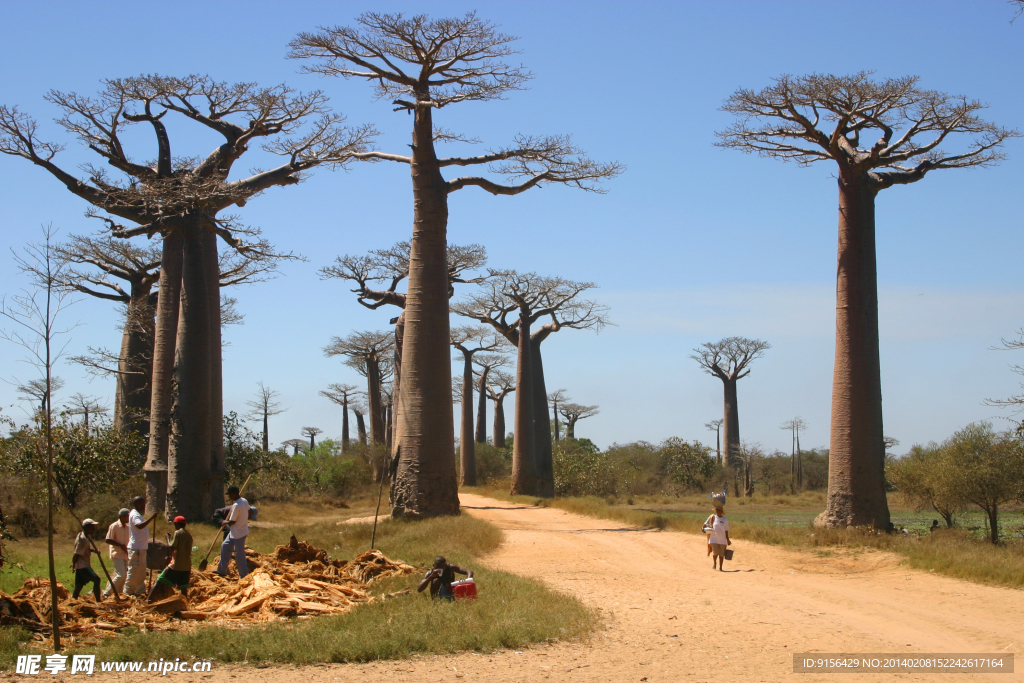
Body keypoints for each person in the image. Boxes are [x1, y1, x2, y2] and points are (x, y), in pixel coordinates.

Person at [149, 516, 192, 601]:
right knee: (183, 587)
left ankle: (148, 601)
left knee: (159, 580)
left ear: (176, 524)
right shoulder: (189, 535)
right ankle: (185, 603)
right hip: (187, 566)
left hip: (176, 565)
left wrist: (168, 539)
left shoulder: (178, 533)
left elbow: (171, 547)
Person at [125, 496, 158, 597]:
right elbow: (139, 526)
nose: (144, 506)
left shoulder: (138, 514)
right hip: (136, 547)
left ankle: (140, 591)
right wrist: (151, 518)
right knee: (134, 570)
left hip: (141, 547)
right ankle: (128, 592)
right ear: (138, 504)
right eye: (143, 504)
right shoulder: (135, 514)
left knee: (141, 571)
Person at [216, 485, 251, 579]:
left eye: (230, 494)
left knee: (239, 555)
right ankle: (222, 571)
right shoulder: (244, 500)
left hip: (239, 533)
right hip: (235, 532)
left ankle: (244, 576)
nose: (229, 496)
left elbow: (232, 522)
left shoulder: (237, 505)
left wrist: (224, 522)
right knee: (225, 546)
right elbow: (249, 510)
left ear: (234, 494)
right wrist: (244, 519)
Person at [101, 508, 131, 598]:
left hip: (125, 554)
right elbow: (108, 539)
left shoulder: (127, 527)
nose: (128, 518)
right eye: (127, 516)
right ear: (122, 517)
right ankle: (107, 593)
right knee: (121, 575)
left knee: (124, 576)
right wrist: (120, 545)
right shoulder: (114, 526)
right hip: (117, 553)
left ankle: (118, 594)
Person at [71, 519, 102, 601]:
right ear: (86, 527)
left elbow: (85, 549)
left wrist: (93, 550)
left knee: (79, 586)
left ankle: (73, 601)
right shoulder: (82, 539)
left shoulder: (84, 536)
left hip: (80, 566)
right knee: (97, 579)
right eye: (91, 527)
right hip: (83, 566)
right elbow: (76, 554)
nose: (93, 529)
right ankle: (98, 601)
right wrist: (74, 565)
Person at [707, 505, 731, 571]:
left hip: (722, 539)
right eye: (717, 511)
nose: (719, 512)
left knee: (721, 554)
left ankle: (720, 567)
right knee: (715, 553)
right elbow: (708, 526)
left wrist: (727, 539)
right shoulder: (713, 518)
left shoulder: (725, 520)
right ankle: (715, 563)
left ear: (722, 512)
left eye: (720, 511)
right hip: (714, 538)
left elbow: (726, 530)